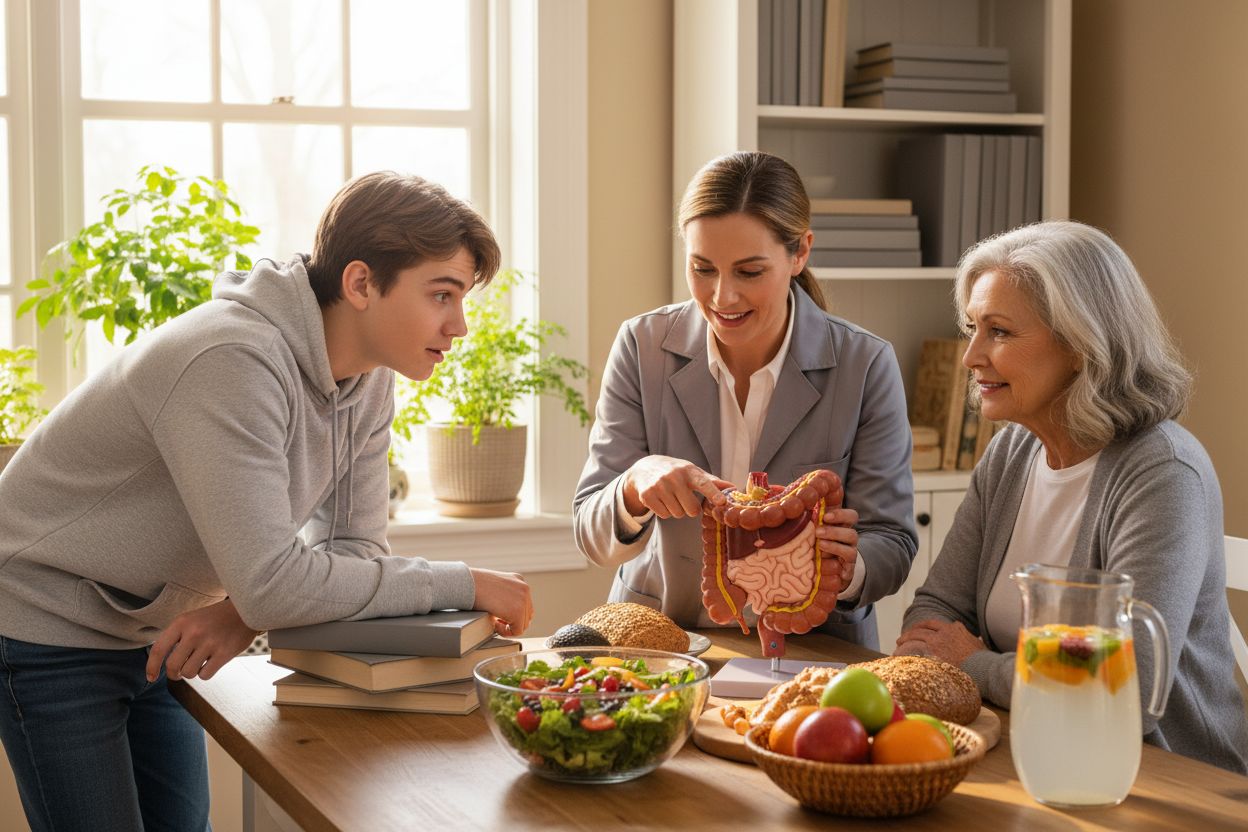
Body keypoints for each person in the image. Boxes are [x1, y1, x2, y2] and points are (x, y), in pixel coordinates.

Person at [0, 171, 535, 831]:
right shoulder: (231, 358)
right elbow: (277, 584)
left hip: (157, 631)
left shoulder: (369, 379)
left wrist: (244, 610)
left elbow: (354, 549)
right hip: (47, 622)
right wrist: (464, 583)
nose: (460, 326)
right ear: (361, 284)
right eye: (442, 295)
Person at [897, 220, 1248, 773]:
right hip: (1026, 748)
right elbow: (935, 611)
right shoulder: (1012, 451)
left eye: (999, 332)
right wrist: (984, 667)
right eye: (972, 328)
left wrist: (977, 665)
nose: (971, 356)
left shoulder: (1162, 473)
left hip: (1160, 776)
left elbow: (1125, 694)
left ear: (1081, 345)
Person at [573, 151, 917, 648]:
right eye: (702, 268)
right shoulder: (641, 346)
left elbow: (895, 542)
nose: (722, 297)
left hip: (814, 648)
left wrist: (848, 566)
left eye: (749, 272)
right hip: (665, 643)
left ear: (800, 253)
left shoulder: (865, 364)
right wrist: (633, 484)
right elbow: (591, 534)